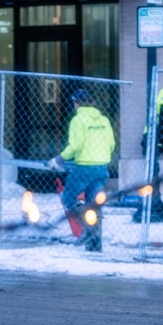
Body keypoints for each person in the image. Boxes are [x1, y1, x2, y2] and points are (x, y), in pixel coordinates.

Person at [48, 88, 116, 251]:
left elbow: (76, 145)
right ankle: (95, 244)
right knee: (94, 204)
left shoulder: (78, 120)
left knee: (69, 198)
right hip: (102, 168)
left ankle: (88, 228)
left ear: (77, 103)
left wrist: (59, 158)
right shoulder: (103, 120)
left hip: (85, 167)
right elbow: (111, 144)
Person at [135, 87, 163, 222]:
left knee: (153, 169)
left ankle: (153, 195)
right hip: (153, 145)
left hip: (151, 145)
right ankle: (153, 195)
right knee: (153, 170)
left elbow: (158, 130)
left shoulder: (157, 110)